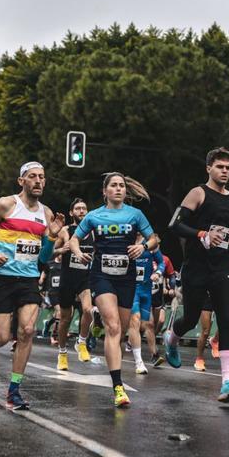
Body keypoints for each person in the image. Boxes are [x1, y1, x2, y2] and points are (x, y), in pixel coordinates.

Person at [0, 161, 63, 410]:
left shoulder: (46, 214)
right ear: (21, 181)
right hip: (3, 277)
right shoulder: (6, 204)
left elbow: (44, 258)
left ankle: (14, 391)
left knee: (27, 331)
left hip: (29, 279)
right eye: (32, 176)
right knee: (1, 339)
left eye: (42, 177)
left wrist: (52, 237)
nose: (38, 181)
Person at [165, 147, 229, 403]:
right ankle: (172, 337)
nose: (224, 171)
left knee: (225, 320)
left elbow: (228, 230)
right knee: (190, 319)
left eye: (228, 168)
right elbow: (174, 225)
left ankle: (227, 383)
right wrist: (201, 235)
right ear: (209, 168)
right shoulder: (198, 193)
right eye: (220, 167)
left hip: (222, 267)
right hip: (196, 266)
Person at [69, 172, 157, 407]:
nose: (118, 189)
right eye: (114, 186)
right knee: (114, 326)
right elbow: (74, 240)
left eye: (121, 186)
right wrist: (78, 253)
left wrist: (143, 247)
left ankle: (114, 367)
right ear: (105, 191)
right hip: (101, 276)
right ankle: (118, 387)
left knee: (124, 328)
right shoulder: (94, 216)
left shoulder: (135, 214)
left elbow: (155, 238)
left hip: (126, 278)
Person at [54, 198, 95, 370]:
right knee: (65, 319)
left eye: (84, 208)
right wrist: (60, 250)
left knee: (88, 310)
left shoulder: (93, 232)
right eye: (77, 209)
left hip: (84, 278)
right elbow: (49, 251)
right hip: (67, 279)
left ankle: (82, 342)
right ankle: (62, 353)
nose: (81, 211)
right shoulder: (65, 231)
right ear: (71, 213)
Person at [129, 234, 164, 375]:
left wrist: (158, 273)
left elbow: (161, 262)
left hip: (146, 290)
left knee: (148, 324)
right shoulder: (126, 242)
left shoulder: (150, 244)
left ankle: (154, 355)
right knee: (135, 320)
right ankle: (139, 362)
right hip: (131, 290)